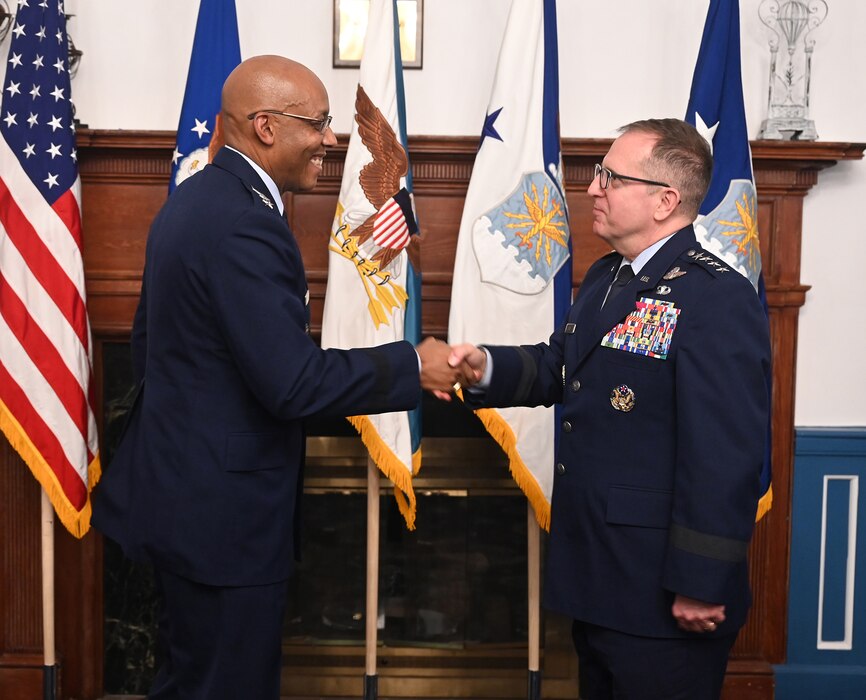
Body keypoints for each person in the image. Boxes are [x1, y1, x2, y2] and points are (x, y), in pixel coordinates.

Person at [91, 55, 471, 700]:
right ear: (265, 127)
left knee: (196, 679)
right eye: (317, 123)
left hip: (190, 498)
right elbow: (292, 384)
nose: (330, 138)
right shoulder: (244, 222)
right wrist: (413, 365)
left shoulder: (197, 201)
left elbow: (155, 345)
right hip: (222, 519)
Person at [450, 119, 771, 699]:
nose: (592, 189)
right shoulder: (606, 277)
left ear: (665, 201)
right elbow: (563, 367)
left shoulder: (715, 295)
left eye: (610, 178)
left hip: (663, 587)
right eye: (599, 175)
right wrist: (484, 367)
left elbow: (727, 454)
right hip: (599, 574)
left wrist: (701, 580)